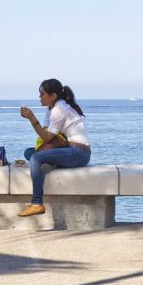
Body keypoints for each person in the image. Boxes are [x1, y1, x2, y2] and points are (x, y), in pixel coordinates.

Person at [19, 78, 91, 216]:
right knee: (29, 152)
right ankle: (50, 164)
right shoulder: (52, 109)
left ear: (53, 96)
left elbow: (47, 137)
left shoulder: (59, 109)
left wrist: (31, 118)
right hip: (68, 149)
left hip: (79, 153)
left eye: (42, 94)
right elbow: (46, 135)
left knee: (34, 158)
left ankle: (37, 203)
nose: (39, 97)